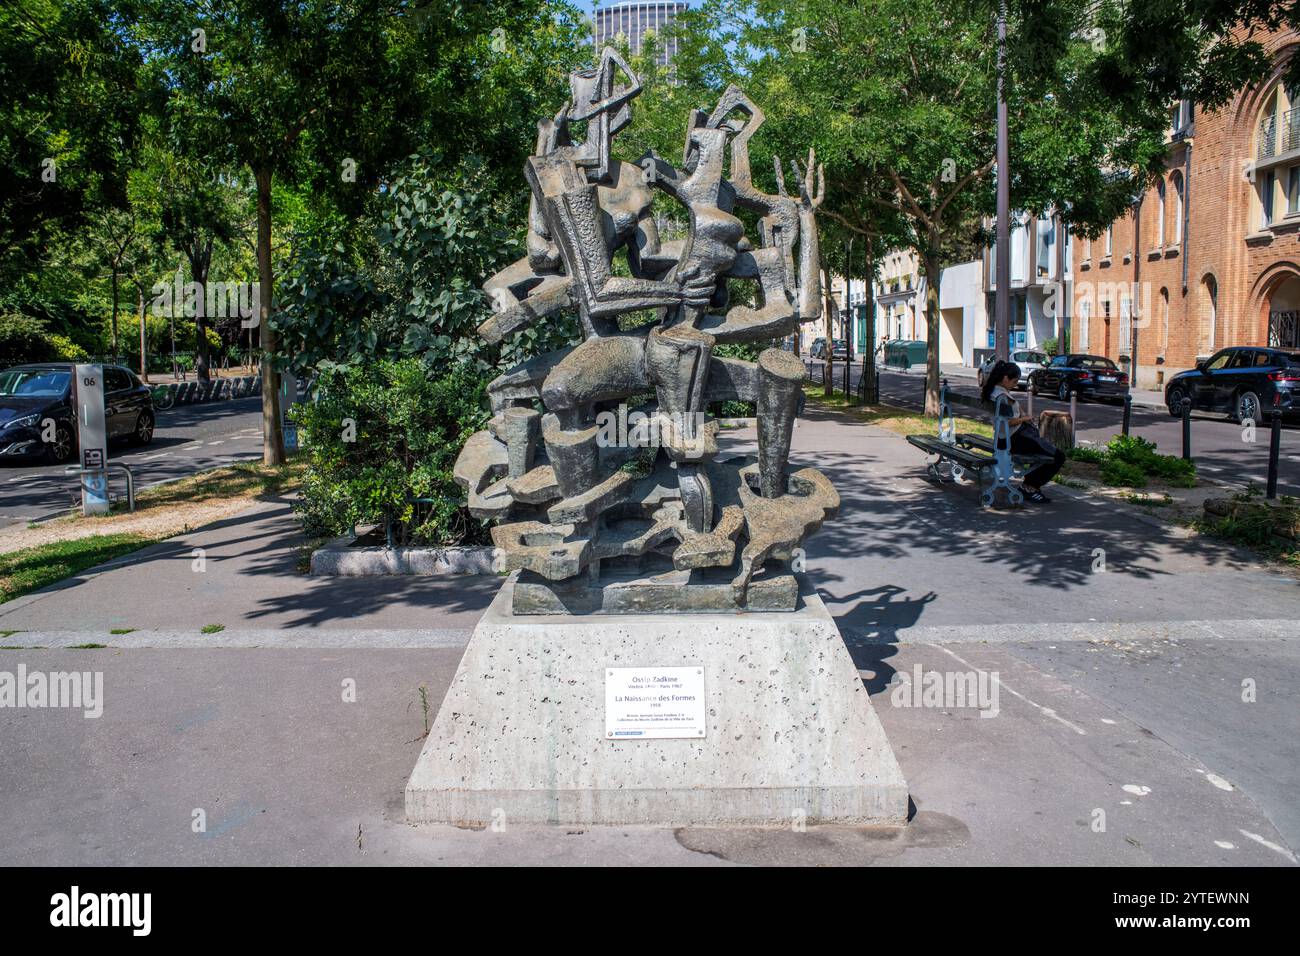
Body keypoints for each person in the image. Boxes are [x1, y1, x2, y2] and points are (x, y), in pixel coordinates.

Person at [978, 359, 1065, 503]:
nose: (1015, 385)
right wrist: (1026, 419)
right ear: (1005, 378)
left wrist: (1022, 414)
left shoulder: (992, 392)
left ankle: (1030, 485)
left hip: (1004, 438)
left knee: (1045, 451)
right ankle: (1030, 487)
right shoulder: (1002, 397)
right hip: (1015, 438)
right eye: (1014, 381)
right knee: (1058, 456)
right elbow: (1006, 423)